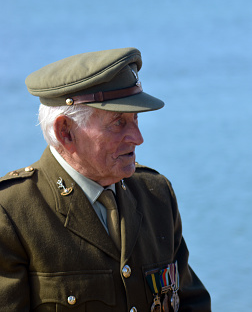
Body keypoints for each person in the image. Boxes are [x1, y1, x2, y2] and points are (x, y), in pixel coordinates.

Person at [0, 48, 211, 311]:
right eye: (118, 123)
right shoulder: (11, 213)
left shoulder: (155, 193)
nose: (138, 137)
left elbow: (192, 302)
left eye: (135, 119)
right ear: (65, 132)